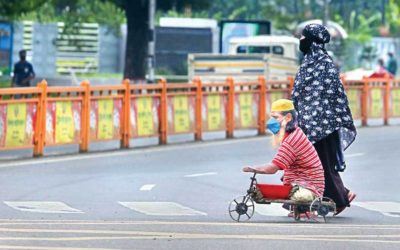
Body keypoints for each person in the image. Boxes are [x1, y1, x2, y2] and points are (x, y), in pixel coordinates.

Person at [292, 23, 357, 215]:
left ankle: (339, 199)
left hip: (326, 128)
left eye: (304, 38)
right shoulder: (307, 63)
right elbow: (299, 94)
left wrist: (333, 119)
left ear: (312, 40)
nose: (301, 41)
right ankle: (334, 196)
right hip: (307, 126)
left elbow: (337, 97)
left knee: (322, 166)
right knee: (309, 165)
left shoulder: (326, 64)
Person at [242, 99, 325, 205]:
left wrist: (254, 169)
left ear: (288, 117)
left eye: (275, 117)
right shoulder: (293, 134)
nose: (271, 121)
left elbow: (273, 168)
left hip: (309, 186)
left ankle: (305, 206)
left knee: (299, 196)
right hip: (298, 181)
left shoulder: (292, 139)